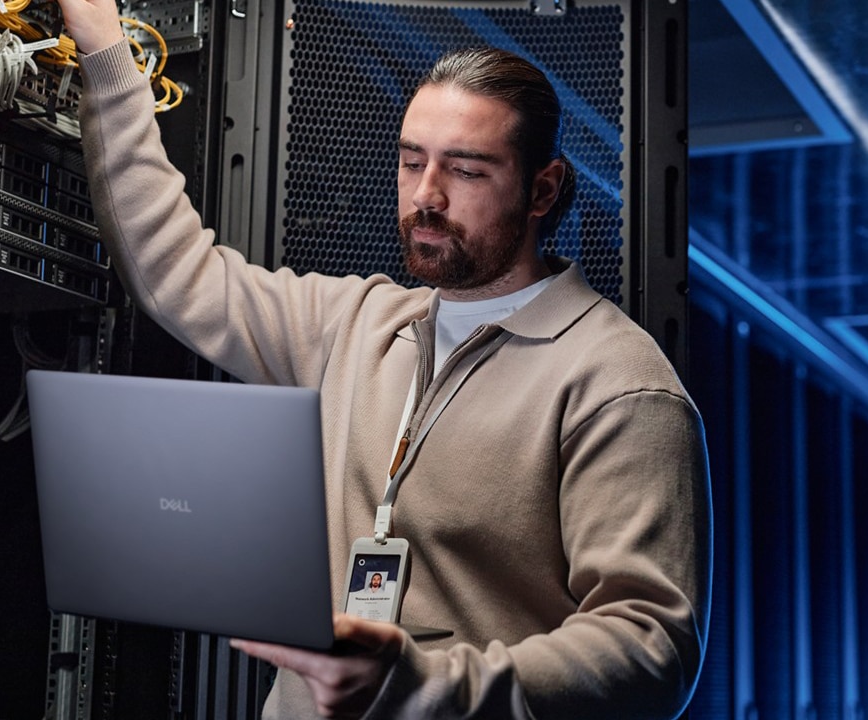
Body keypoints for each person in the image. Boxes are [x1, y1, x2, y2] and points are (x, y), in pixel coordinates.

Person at [55, 1, 712, 718]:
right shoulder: (360, 324)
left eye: (465, 171)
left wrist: (417, 684)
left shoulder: (617, 383)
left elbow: (649, 650)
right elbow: (172, 271)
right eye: (411, 162)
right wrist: (104, 46)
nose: (426, 195)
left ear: (542, 189)